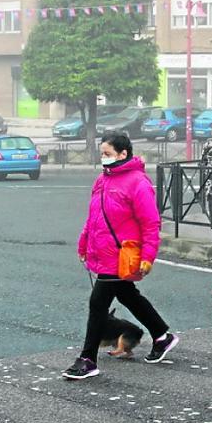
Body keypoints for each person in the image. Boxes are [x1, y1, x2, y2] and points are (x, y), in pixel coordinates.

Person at [65, 132, 179, 380]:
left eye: (107, 154)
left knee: (98, 304)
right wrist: (84, 243)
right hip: (104, 252)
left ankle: (87, 359)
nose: (103, 158)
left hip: (122, 253)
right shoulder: (102, 180)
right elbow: (94, 217)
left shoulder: (138, 182)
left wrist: (148, 256)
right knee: (128, 295)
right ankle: (161, 335)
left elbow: (151, 223)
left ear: (123, 153)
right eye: (102, 154)